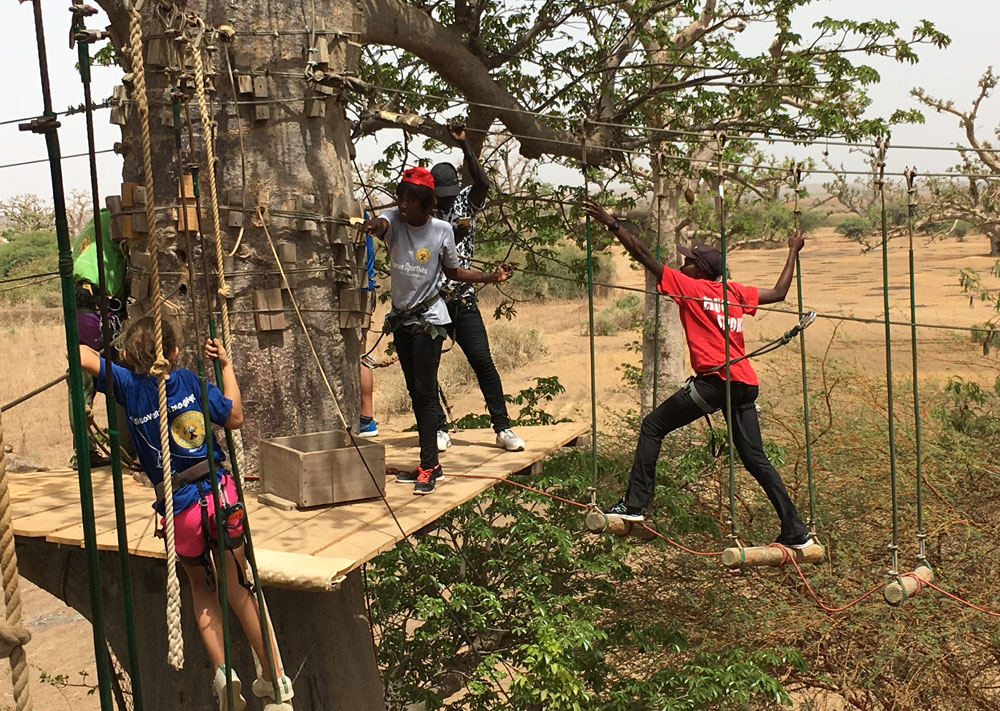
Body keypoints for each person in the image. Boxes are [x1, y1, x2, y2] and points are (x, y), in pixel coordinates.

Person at [78, 317, 293, 710]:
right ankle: (275, 680)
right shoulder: (191, 383)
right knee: (238, 589)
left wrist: (105, 342)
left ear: (130, 357)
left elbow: (82, 356)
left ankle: (224, 672)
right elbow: (235, 417)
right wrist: (225, 366)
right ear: (174, 353)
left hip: (182, 510)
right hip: (219, 497)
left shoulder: (127, 385)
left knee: (200, 587)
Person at [583, 199, 812, 548]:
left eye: (687, 261)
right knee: (755, 458)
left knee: (653, 426)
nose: (682, 264)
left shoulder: (691, 288)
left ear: (699, 270)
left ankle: (633, 505)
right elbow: (780, 293)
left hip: (716, 383)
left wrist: (611, 223)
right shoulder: (733, 292)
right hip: (745, 385)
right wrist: (793, 251)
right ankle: (796, 531)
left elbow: (643, 255)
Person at [362, 167, 514, 495]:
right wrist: (371, 226)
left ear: (426, 204)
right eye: (401, 198)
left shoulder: (442, 230)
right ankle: (428, 462)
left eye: (410, 201)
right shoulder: (394, 219)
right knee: (416, 393)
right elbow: (382, 223)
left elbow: (453, 271)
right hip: (402, 320)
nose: (403, 205)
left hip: (429, 321)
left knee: (426, 392)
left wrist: (489, 277)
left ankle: (430, 465)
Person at [430, 124, 525, 453]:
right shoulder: (422, 213)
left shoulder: (464, 202)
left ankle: (503, 427)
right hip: (431, 301)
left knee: (483, 361)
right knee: (427, 367)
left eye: (449, 194)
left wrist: (465, 146)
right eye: (440, 195)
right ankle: (438, 428)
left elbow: (483, 183)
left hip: (462, 296)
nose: (445, 200)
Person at [70, 209, 132, 469]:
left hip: (80, 304)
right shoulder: (117, 223)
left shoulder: (91, 226)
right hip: (98, 306)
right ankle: (126, 449)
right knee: (118, 372)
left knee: (82, 378)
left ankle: (84, 451)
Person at [359, 225, 379, 437]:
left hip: (357, 290)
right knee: (361, 355)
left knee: (359, 356)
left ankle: (365, 418)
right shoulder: (362, 213)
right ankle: (366, 417)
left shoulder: (356, 213)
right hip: (366, 288)